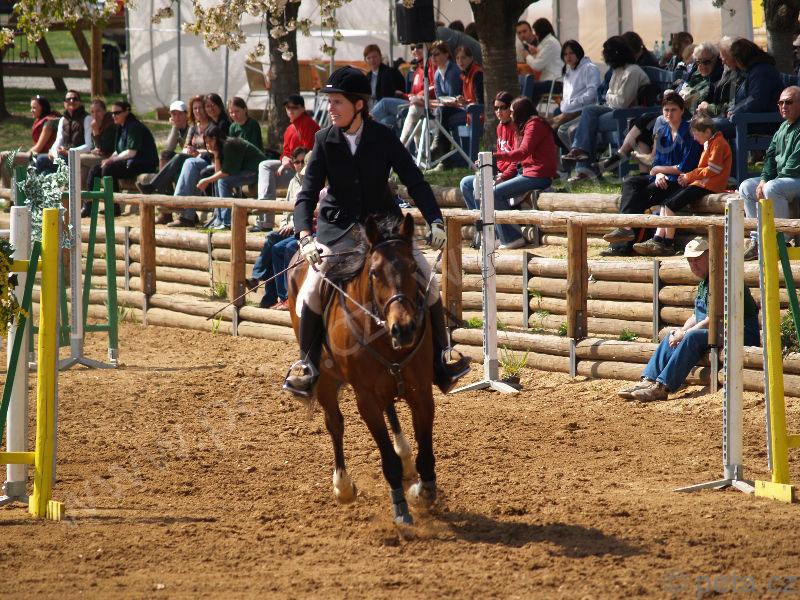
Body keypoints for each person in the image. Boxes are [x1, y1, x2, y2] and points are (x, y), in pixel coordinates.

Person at [283, 66, 469, 398]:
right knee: (311, 288)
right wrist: (304, 236)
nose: (330, 108)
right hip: (337, 230)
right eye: (329, 102)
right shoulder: (324, 140)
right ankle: (307, 364)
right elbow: (307, 194)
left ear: (358, 105)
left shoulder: (383, 136)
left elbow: (415, 181)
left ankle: (442, 358)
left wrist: (435, 220)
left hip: (384, 230)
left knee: (428, 280)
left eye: (337, 102)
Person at [618, 237, 760, 402]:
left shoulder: (722, 280)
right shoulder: (705, 282)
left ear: (710, 257)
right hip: (719, 331)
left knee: (691, 336)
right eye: (690, 261)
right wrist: (681, 331)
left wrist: (686, 334)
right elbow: (696, 315)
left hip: (740, 333)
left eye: (697, 260)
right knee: (671, 335)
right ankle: (648, 380)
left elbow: (713, 319)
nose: (694, 265)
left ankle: (662, 387)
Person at [597, 42, 723, 175]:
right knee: (644, 127)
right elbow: (681, 88)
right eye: (698, 62)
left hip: (691, 116)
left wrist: (702, 105)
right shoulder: (695, 74)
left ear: (715, 59)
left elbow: (716, 104)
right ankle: (645, 175)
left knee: (650, 121)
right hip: (678, 111)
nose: (701, 66)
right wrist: (673, 94)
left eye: (706, 62)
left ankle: (627, 157)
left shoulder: (717, 79)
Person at [601, 92, 702, 255]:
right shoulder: (662, 131)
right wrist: (658, 173)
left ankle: (623, 243)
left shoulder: (690, 133)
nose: (669, 114)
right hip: (661, 178)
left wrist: (658, 171)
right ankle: (625, 228)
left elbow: (686, 166)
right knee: (630, 183)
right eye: (666, 110)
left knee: (640, 196)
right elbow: (656, 161)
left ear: (682, 110)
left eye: (673, 110)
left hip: (680, 181)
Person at [633, 114, 732, 256]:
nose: (695, 138)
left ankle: (668, 244)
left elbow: (712, 169)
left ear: (707, 132)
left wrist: (689, 176)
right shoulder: (710, 143)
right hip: (702, 183)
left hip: (710, 185)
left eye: (696, 134)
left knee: (670, 205)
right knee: (665, 204)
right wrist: (688, 177)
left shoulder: (718, 143)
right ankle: (657, 239)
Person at [561, 36, 649, 182]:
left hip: (627, 114)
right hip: (613, 109)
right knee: (585, 114)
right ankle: (582, 162)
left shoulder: (632, 72)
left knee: (584, 123)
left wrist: (610, 96)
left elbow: (621, 102)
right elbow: (609, 95)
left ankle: (584, 166)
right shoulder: (617, 70)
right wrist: (610, 96)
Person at [487, 95, 558, 250]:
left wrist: (495, 156)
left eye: (512, 111)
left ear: (521, 112)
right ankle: (502, 236)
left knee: (494, 193)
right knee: (489, 190)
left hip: (538, 175)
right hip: (528, 173)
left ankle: (512, 238)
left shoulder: (534, 124)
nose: (510, 114)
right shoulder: (525, 125)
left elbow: (523, 152)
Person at [738, 86, 800, 261]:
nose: (784, 106)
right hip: (784, 180)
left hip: (796, 178)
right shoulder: (782, 127)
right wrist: (763, 179)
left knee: (772, 188)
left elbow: (794, 167)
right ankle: (758, 240)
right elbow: (770, 157)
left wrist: (768, 183)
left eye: (789, 102)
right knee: (746, 187)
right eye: (780, 103)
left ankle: (782, 241)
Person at [247, 147, 309, 309]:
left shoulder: (311, 182)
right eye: (297, 162)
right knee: (271, 239)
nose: (300, 165)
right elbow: (286, 210)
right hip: (289, 227)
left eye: (303, 162)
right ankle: (263, 285)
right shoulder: (293, 182)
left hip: (300, 228)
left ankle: (273, 293)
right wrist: (284, 225)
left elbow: (309, 211)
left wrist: (293, 225)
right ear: (293, 164)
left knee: (277, 247)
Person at [253, 94, 320, 232]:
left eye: (294, 107)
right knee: (264, 165)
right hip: (291, 168)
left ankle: (264, 212)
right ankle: (265, 214)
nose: (290, 110)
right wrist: (284, 159)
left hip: (306, 171)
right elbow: (285, 152)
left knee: (266, 166)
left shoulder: (309, 124)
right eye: (288, 108)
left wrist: (290, 160)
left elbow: (307, 154)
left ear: (303, 108)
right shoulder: (290, 128)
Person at [460, 91, 517, 248]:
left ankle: (496, 233)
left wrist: (502, 177)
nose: (499, 112)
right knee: (466, 183)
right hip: (499, 174)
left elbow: (516, 161)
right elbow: (500, 157)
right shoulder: (499, 127)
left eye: (503, 108)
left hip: (510, 176)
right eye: (496, 108)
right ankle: (483, 229)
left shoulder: (516, 128)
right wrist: (487, 163)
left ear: (511, 108)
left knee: (482, 186)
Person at [142, 96, 211, 224]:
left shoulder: (193, 126)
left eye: (179, 114)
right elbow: (170, 148)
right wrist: (175, 127)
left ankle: (155, 187)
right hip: (190, 160)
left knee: (176, 159)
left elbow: (208, 149)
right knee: (165, 155)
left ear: (186, 114)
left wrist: (194, 152)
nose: (177, 117)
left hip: (199, 161)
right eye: (173, 114)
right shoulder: (191, 128)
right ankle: (166, 211)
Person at [85, 100, 158, 216]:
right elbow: (118, 151)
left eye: (117, 113)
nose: (114, 116)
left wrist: (111, 160)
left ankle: (113, 207)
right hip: (130, 162)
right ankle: (89, 207)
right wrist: (109, 159)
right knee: (95, 169)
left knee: (108, 169)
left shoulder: (134, 126)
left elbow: (132, 152)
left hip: (143, 163)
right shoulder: (121, 127)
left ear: (127, 111)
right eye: (112, 113)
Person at [193, 125, 266, 229]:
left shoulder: (229, 145)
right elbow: (218, 172)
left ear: (217, 138)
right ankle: (219, 219)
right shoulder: (221, 147)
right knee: (218, 180)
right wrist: (216, 154)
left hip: (255, 171)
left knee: (223, 181)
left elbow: (226, 172)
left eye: (210, 141)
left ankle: (227, 222)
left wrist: (206, 180)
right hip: (244, 171)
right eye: (206, 142)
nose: (208, 144)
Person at [714, 38, 783, 138]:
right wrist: (734, 110)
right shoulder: (753, 71)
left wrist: (735, 111)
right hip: (748, 120)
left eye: (736, 60)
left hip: (761, 123)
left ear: (741, 59)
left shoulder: (762, 72)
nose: (735, 64)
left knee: (707, 128)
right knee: (702, 125)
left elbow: (757, 101)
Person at [547, 40, 601, 150]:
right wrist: (566, 105)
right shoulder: (569, 72)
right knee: (548, 127)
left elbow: (592, 95)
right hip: (569, 110)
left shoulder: (589, 68)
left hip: (584, 110)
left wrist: (572, 104)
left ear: (578, 52)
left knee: (554, 129)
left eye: (571, 53)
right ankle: (572, 153)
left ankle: (579, 153)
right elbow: (566, 97)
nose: (568, 57)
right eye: (565, 54)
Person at [0, 95, 59, 188]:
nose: (31, 110)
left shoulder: (48, 123)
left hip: (42, 157)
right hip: (37, 155)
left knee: (4, 156)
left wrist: (24, 154)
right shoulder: (41, 120)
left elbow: (38, 148)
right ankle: (7, 190)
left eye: (34, 108)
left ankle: (6, 190)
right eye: (31, 107)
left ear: (43, 108)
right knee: (5, 160)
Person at [34, 90, 92, 174]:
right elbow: (58, 140)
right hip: (62, 155)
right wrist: (53, 152)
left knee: (46, 162)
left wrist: (69, 152)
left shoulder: (87, 118)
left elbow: (89, 145)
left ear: (79, 102)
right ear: (64, 103)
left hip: (77, 156)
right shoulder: (63, 120)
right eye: (68, 99)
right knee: (40, 161)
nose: (71, 101)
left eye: (75, 99)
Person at [429, 40, 463, 162]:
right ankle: (442, 156)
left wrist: (441, 102)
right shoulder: (437, 73)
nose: (433, 57)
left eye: (437, 54)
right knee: (438, 110)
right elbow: (439, 96)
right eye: (432, 55)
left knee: (441, 111)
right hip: (446, 108)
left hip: (460, 107)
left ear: (446, 54)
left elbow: (453, 96)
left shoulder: (453, 71)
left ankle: (438, 145)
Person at [398, 43, 437, 149]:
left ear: (426, 47)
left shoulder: (432, 65)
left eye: (419, 46)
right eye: (412, 48)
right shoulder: (417, 70)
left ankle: (400, 147)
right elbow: (414, 93)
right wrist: (404, 95)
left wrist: (418, 95)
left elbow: (435, 86)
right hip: (418, 105)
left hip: (433, 108)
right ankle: (421, 153)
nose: (415, 50)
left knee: (385, 103)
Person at [521, 18, 563, 106]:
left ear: (540, 32)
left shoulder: (550, 43)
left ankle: (526, 110)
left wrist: (527, 56)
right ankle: (529, 110)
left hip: (554, 82)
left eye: (536, 32)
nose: (535, 35)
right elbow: (542, 60)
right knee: (529, 85)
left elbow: (537, 66)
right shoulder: (548, 42)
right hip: (550, 81)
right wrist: (535, 53)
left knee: (528, 86)